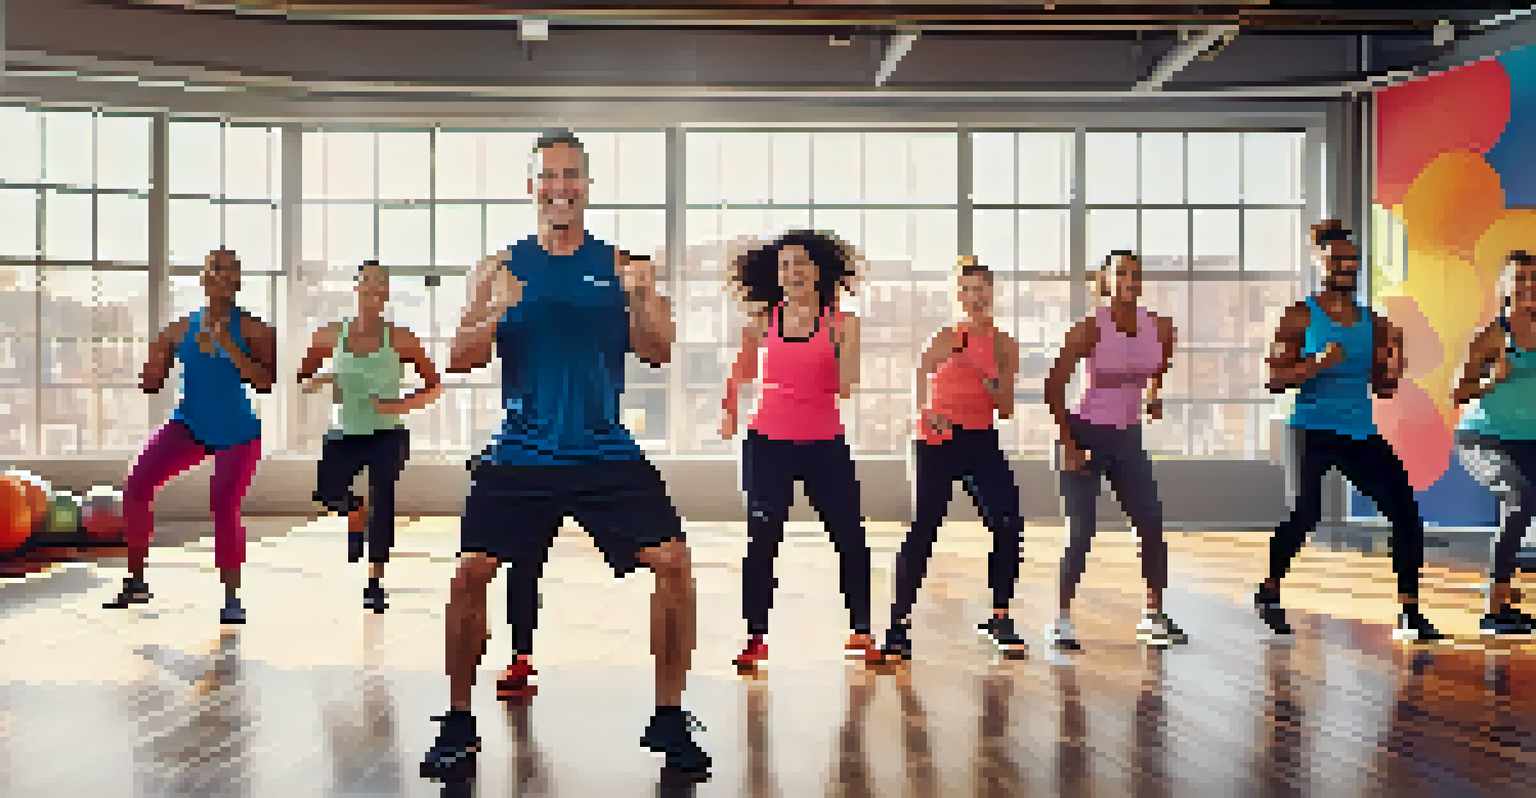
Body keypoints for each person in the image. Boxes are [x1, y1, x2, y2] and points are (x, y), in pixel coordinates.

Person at [420, 129, 708, 782]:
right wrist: (495, 311)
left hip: (603, 447)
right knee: (469, 574)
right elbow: (458, 359)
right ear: (531, 187)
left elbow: (659, 350)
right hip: (520, 449)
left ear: (588, 186)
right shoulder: (499, 268)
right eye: (548, 176)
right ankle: (458, 722)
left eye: (571, 174)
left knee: (673, 562)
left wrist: (642, 296)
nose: (560, 187)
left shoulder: (622, 265)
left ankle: (669, 716)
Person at [1256, 220, 1442, 642]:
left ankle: (1410, 612)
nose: (1345, 267)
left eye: (1352, 260)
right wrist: (1318, 363)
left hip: (1358, 431)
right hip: (1310, 428)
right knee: (1305, 513)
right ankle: (1269, 591)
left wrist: (1395, 359)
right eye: (1336, 259)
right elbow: (1274, 379)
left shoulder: (1373, 323)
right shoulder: (1299, 315)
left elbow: (1384, 388)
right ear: (1318, 261)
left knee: (1405, 512)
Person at [719, 228, 876, 673]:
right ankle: (755, 638)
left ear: (819, 270)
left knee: (850, 536)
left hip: (824, 443)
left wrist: (840, 344)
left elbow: (846, 386)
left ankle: (862, 631)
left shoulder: (844, 323)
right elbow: (739, 374)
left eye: (802, 263)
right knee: (762, 538)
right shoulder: (762, 321)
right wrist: (729, 412)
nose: (794, 272)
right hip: (767, 444)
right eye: (786, 265)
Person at [105, 248, 276, 625]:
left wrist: (228, 345)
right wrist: (151, 366)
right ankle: (136, 582)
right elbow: (151, 383)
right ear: (203, 278)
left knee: (224, 505)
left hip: (238, 433)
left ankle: (232, 598)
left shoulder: (255, 329)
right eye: (215, 268)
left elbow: (266, 382)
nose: (222, 275)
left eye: (230, 270)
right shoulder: (180, 329)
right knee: (136, 485)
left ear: (238, 281)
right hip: (190, 426)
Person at [879, 256, 1027, 661]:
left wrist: (993, 382)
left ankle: (1000, 618)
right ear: (957, 296)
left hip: (981, 440)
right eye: (966, 290)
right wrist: (927, 412)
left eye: (981, 289)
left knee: (1009, 523)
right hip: (937, 441)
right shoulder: (945, 337)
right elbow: (919, 378)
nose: (974, 296)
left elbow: (1006, 409)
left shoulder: (1005, 345)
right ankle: (897, 626)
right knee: (924, 527)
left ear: (992, 293)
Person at [1043, 250, 1185, 650]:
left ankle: (1154, 616)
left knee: (1151, 523)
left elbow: (1157, 367)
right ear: (1105, 280)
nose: (1129, 280)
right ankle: (1061, 619)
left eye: (1135, 274)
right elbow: (1053, 387)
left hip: (1127, 438)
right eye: (1121, 273)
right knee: (1082, 530)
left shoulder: (1161, 328)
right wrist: (1070, 444)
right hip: (1084, 433)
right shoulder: (1089, 328)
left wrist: (1152, 396)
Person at [297, 259, 442, 613]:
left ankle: (375, 581)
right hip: (345, 431)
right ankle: (353, 510)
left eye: (380, 283)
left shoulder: (402, 338)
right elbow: (303, 378)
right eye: (368, 282)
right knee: (327, 493)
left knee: (384, 502)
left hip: (388, 434)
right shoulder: (331, 334)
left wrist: (399, 405)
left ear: (386, 293)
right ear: (356, 287)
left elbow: (434, 387)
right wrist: (324, 379)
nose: (374, 289)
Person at [1451, 249, 1536, 635]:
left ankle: (1509, 601)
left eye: (1533, 278)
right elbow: (1457, 393)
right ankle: (1495, 610)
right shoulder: (1491, 336)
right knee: (1519, 498)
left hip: (1529, 440)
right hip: (1483, 440)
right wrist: (1490, 379)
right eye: (1519, 278)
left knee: (1522, 503)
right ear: (1505, 286)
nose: (1528, 285)